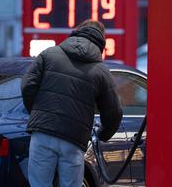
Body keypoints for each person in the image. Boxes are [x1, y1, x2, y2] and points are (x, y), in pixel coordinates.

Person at [21, 20, 123, 187]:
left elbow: (27, 86)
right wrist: (103, 135)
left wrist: (39, 113)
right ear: (101, 43)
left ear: (76, 33)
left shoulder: (48, 54)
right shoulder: (102, 71)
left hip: (43, 134)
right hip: (73, 139)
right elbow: (114, 113)